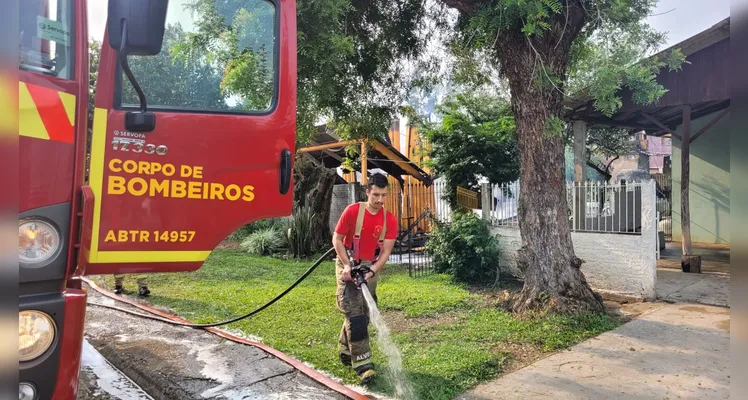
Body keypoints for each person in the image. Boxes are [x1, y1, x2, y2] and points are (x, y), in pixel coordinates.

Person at [332, 173, 398, 383]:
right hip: (348, 263)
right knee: (355, 314)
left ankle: (345, 348)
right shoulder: (352, 211)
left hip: (370, 267)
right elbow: (337, 239)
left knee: (367, 312)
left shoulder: (390, 220)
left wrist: (373, 270)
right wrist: (347, 265)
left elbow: (386, 251)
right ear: (367, 191)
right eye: (376, 195)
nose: (380, 200)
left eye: (384, 195)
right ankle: (363, 364)